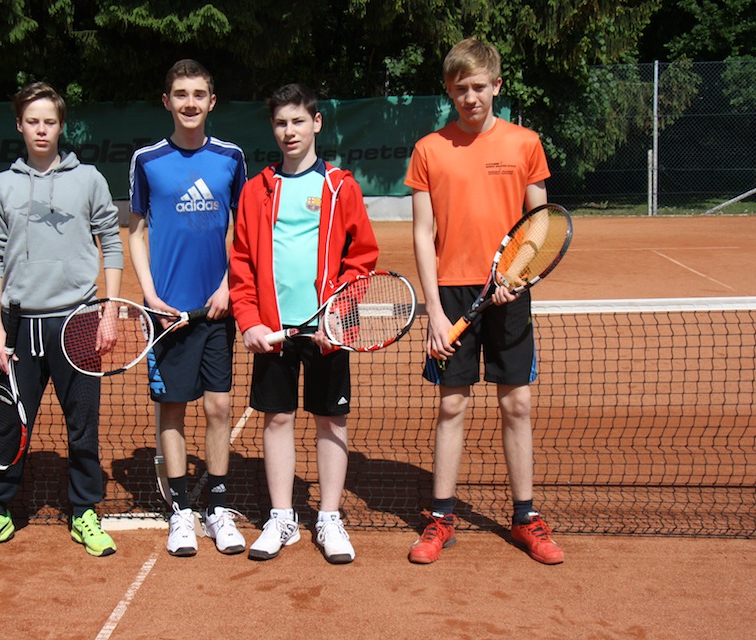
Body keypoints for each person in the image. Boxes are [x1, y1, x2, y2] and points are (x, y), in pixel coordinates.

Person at [404, 38, 564, 565]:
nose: (470, 96)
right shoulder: (429, 149)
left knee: (516, 404)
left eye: (479, 86)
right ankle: (441, 518)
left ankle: (526, 519)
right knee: (452, 405)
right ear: (448, 90)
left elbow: (537, 223)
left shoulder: (525, 143)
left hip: (509, 292)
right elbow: (423, 234)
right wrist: (434, 311)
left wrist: (518, 276)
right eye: (460, 87)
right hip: (451, 293)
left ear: (496, 85)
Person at [0, 81, 123, 559]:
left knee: (83, 426)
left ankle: (84, 512)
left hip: (77, 321)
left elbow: (112, 244)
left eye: (49, 121)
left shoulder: (89, 179)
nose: (41, 129)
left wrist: (110, 312)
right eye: (32, 121)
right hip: (17, 326)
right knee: (8, 427)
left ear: (61, 126)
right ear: (19, 125)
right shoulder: (2, 185)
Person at [230, 83, 379, 564]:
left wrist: (336, 316)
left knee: (331, 419)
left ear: (316, 123)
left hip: (327, 331)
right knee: (277, 419)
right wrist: (250, 322)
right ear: (272, 129)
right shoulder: (255, 190)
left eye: (298, 121)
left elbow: (362, 259)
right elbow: (243, 264)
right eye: (280, 123)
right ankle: (281, 517)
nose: (289, 131)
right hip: (273, 332)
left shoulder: (340, 186)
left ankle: (329, 517)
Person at [128, 59, 247, 557]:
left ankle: (217, 508)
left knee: (219, 406)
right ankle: (181, 512)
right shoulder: (147, 160)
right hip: (167, 314)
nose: (190, 102)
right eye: (181, 94)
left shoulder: (231, 158)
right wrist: (150, 295)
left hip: (218, 308)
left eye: (199, 93)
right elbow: (134, 230)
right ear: (167, 101)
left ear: (212, 101)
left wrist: (228, 286)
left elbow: (239, 229)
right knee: (171, 409)